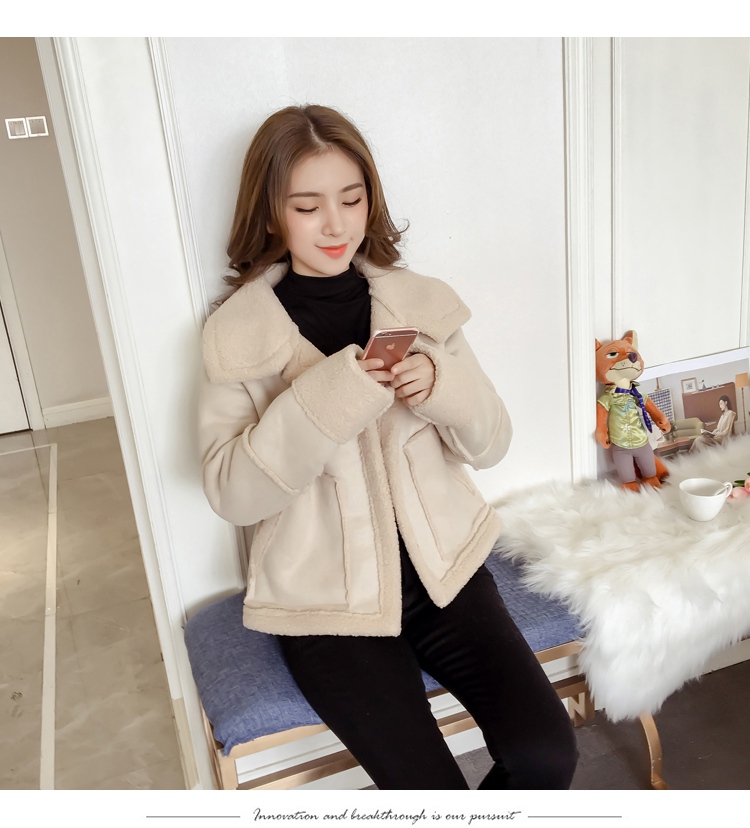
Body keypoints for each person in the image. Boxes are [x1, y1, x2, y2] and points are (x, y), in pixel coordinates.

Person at [198, 104, 578, 790]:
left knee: (546, 753)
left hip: (446, 574)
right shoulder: (238, 334)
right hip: (325, 604)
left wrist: (442, 386)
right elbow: (232, 492)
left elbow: (491, 443)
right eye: (308, 206)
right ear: (271, 213)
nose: (336, 225)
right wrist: (328, 399)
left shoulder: (421, 304)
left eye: (352, 199)